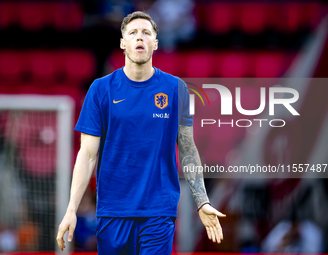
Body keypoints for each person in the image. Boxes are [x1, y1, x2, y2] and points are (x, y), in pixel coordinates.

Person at [56, 11, 225, 254]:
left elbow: (187, 148)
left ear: (155, 43)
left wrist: (202, 201)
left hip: (158, 211)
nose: (140, 37)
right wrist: (71, 208)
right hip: (112, 212)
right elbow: (87, 154)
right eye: (133, 32)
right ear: (123, 43)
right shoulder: (100, 89)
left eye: (146, 33)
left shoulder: (176, 89)